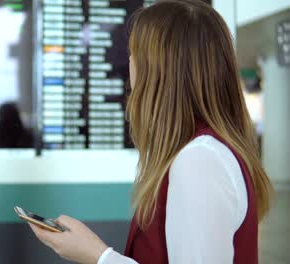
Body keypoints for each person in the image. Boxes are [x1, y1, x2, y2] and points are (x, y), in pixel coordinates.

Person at [28, 0, 274, 263]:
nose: (129, 63)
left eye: (134, 52)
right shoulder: (202, 153)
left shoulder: (199, 161)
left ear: (158, 68)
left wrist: (99, 256)